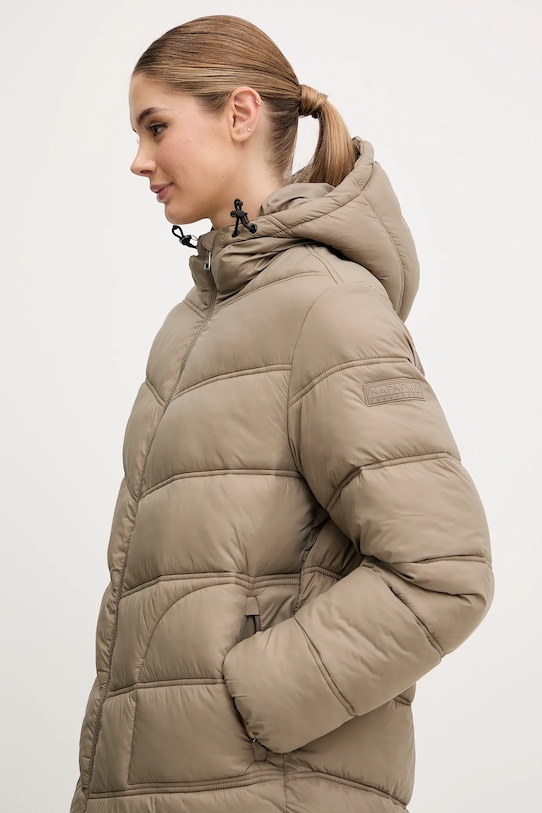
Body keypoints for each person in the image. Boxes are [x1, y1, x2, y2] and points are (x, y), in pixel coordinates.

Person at [70, 14, 494, 813]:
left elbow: (445, 570)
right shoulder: (191, 324)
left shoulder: (328, 306)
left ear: (239, 114)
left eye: (156, 127)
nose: (139, 160)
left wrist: (249, 700)